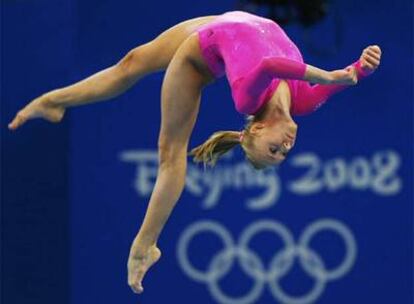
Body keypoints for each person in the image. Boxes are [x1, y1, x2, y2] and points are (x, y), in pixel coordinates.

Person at [8, 11, 381, 294]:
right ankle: (53, 101)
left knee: (171, 154)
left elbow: (269, 64)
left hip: (198, 55)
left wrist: (329, 76)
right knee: (130, 64)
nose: (285, 149)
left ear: (258, 127)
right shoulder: (303, 102)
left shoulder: (247, 98)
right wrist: (359, 69)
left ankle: (144, 246)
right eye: (282, 153)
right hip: (225, 26)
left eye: (273, 151)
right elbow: (345, 78)